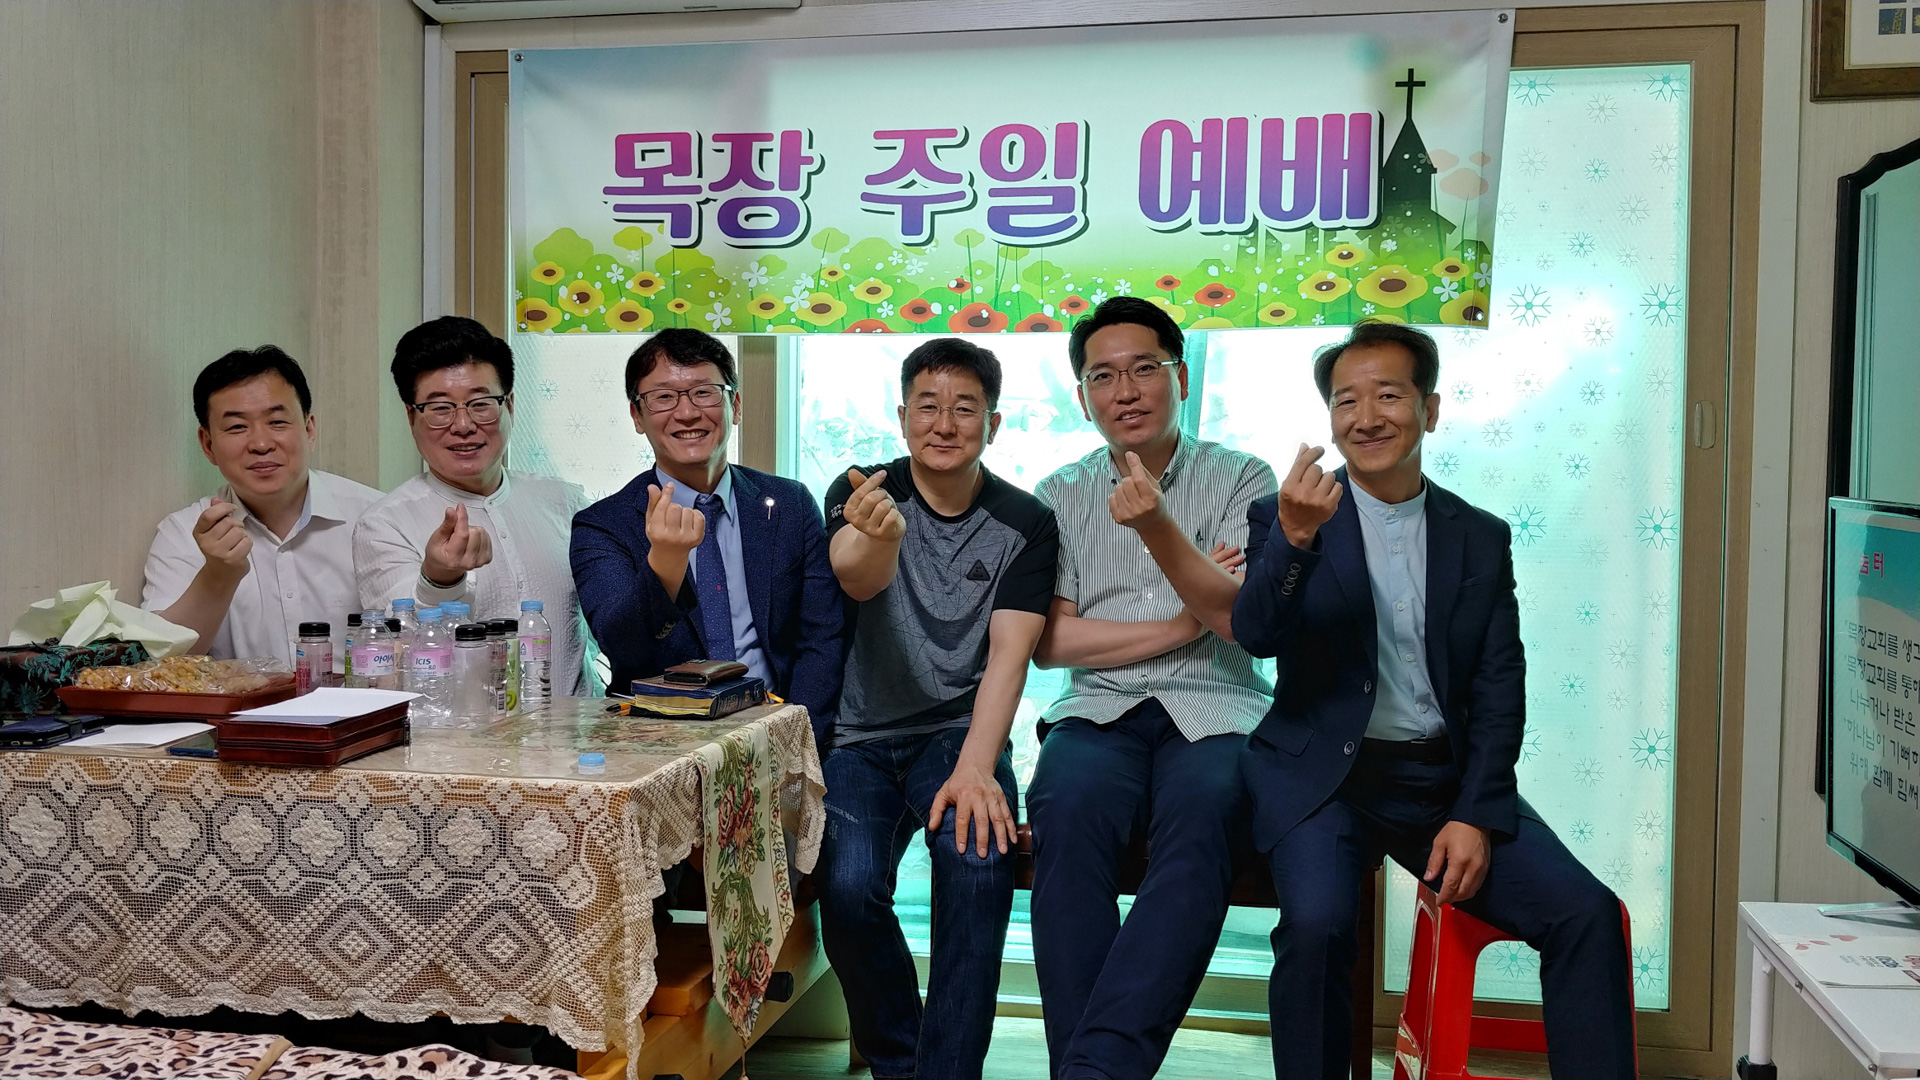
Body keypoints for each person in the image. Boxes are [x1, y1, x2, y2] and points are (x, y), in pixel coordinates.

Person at [1233, 321, 1635, 1080]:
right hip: (1324, 780)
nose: (1366, 417)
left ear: (1431, 409)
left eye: (1388, 395)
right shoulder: (1283, 515)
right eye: (1346, 401)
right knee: (1316, 929)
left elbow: (1498, 684)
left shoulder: (1477, 535)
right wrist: (1294, 539)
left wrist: (1477, 813)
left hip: (1442, 781)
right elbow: (1255, 635)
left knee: (1585, 914)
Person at [1024, 296, 1277, 1080]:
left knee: (1205, 815)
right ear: (1083, 397)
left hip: (1220, 706)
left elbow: (1237, 622)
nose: (1125, 391)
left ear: (1182, 378)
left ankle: (1094, 1069)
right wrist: (1179, 622)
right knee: (1065, 808)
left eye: (1144, 369)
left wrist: (1179, 564)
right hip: (1098, 707)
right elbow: (1053, 643)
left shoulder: (1245, 478)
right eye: (1103, 376)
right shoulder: (1059, 493)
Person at [816, 338, 1058, 1080]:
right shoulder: (861, 491)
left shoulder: (1027, 521)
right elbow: (855, 581)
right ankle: (902, 1063)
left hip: (958, 732)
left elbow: (1011, 653)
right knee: (847, 888)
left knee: (979, 865)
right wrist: (879, 536)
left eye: (965, 409)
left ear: (994, 423)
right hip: (858, 736)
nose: (944, 424)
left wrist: (979, 768)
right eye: (928, 406)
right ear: (902, 416)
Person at [570, 328, 844, 741]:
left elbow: (821, 639)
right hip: (658, 744)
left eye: (704, 393)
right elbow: (623, 648)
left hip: (777, 727)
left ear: (735, 405)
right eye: (664, 397)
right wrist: (665, 564)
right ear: (637, 416)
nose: (686, 413)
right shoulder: (603, 524)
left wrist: (797, 738)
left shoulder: (790, 504)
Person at [353, 316, 592, 694]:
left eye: (481, 404)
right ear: (411, 417)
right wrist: (438, 579)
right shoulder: (385, 523)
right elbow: (397, 651)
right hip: (455, 730)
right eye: (440, 408)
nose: (463, 425)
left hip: (577, 727)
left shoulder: (565, 502)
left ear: (510, 405)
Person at [143, 346, 382, 667]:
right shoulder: (183, 533)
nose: (260, 444)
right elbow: (158, 665)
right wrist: (217, 577)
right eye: (237, 427)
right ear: (208, 445)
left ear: (309, 430)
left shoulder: (375, 518)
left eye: (277, 422)